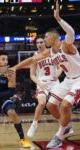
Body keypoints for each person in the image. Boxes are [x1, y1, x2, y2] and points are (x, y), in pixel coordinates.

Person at [12, 0, 78, 148]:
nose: (44, 40)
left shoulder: (66, 46)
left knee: (65, 105)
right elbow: (32, 59)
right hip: (68, 80)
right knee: (50, 105)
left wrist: (58, 18)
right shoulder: (49, 52)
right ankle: (65, 126)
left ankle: (59, 136)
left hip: (79, 79)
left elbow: (71, 32)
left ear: (53, 37)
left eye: (46, 38)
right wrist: (15, 68)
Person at [27, 37, 63, 138]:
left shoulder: (53, 53)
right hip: (42, 82)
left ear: (45, 42)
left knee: (55, 106)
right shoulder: (34, 57)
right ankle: (34, 125)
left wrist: (58, 74)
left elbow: (61, 66)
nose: (39, 44)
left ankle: (63, 126)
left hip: (54, 82)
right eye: (37, 43)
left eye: (41, 42)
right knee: (42, 102)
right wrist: (39, 83)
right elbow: (32, 75)